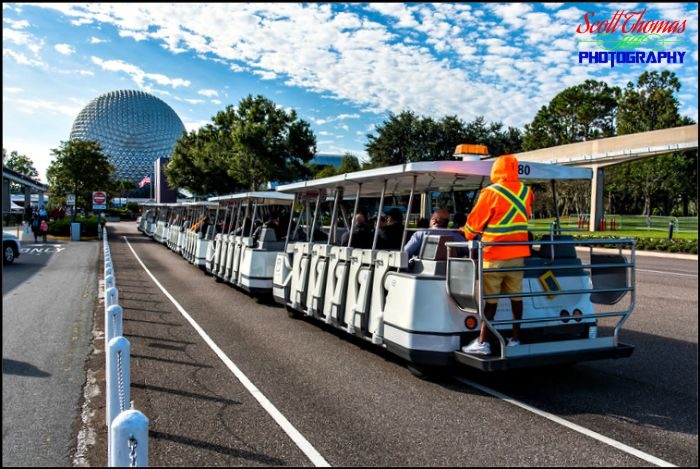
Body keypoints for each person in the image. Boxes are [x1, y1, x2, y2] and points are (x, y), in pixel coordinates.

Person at [460, 154, 534, 355]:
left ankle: (483, 342)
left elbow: (473, 226)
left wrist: (465, 232)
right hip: (518, 254)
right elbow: (523, 216)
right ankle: (515, 339)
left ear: (496, 170)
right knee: (516, 298)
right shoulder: (526, 192)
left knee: (491, 300)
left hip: (494, 255)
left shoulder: (490, 192)